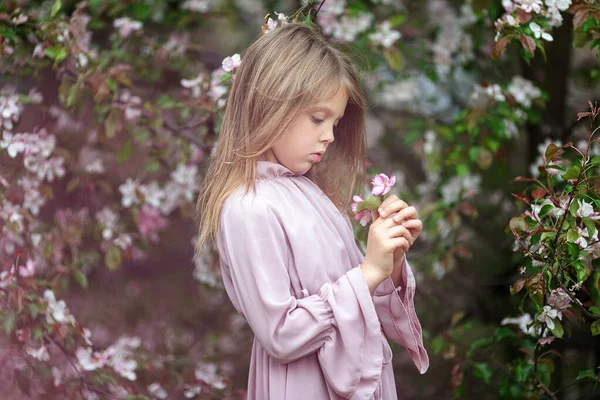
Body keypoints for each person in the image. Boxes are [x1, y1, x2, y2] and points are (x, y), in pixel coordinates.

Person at [195, 22, 429, 400]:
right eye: (318, 118)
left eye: (335, 122)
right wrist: (367, 273)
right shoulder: (248, 207)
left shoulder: (312, 195)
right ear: (269, 103)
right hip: (303, 385)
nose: (330, 136)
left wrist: (389, 260)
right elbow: (281, 334)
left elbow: (365, 306)